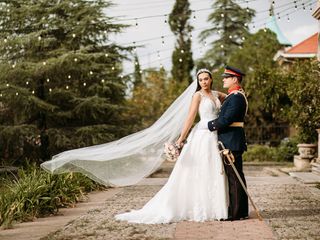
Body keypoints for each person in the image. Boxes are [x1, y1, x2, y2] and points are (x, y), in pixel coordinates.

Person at [115, 69, 229, 224]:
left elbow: (230, 98)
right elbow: (190, 118)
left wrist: (238, 94)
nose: (203, 82)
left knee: (214, 168)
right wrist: (181, 139)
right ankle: (199, 207)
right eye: (201, 80)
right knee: (199, 169)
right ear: (198, 82)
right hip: (201, 135)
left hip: (214, 135)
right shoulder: (197, 96)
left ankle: (216, 207)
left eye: (206, 79)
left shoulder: (216, 95)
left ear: (211, 79)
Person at [207, 65, 249, 220]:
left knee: (234, 178)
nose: (223, 79)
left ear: (235, 79)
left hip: (231, 142)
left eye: (226, 77)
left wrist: (208, 125)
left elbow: (226, 119)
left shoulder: (236, 97)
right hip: (231, 141)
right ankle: (241, 211)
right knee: (236, 177)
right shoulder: (233, 96)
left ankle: (236, 213)